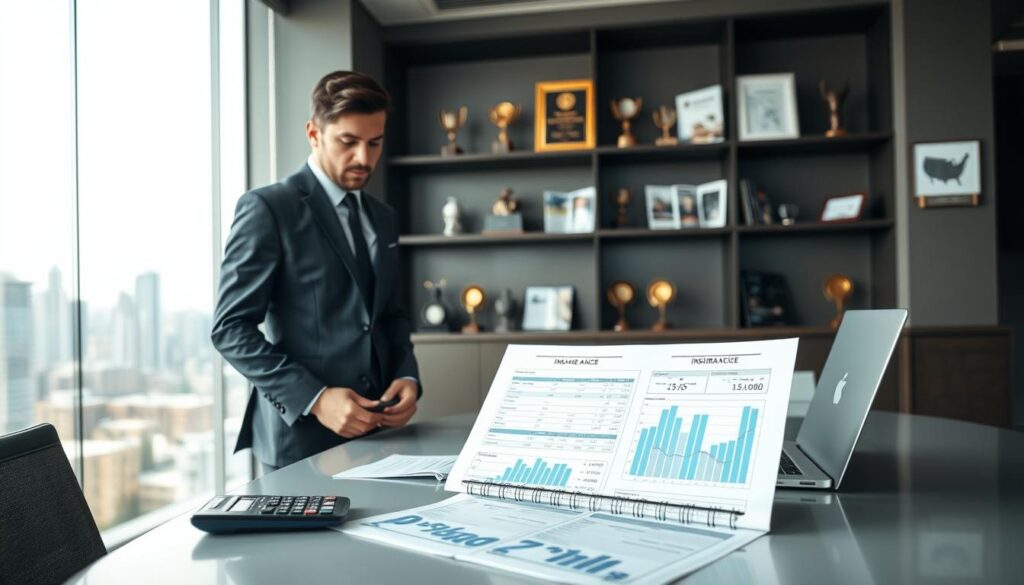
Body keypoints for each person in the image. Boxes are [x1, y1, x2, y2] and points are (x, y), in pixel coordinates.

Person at [211, 71, 420, 474]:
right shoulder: (268, 208)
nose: (364, 158)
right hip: (300, 443)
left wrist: (407, 376)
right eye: (348, 141)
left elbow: (389, 314)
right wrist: (316, 398)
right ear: (314, 134)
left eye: (374, 142)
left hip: (379, 435)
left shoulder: (384, 217)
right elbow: (230, 329)